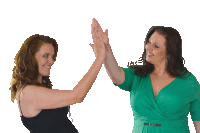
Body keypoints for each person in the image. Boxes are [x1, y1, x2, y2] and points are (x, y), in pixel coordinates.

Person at [89, 19, 200, 133]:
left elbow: (198, 122)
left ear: (169, 53)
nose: (148, 47)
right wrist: (106, 48)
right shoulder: (138, 75)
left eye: (156, 46)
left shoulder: (189, 82)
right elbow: (116, 75)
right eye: (149, 42)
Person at [10, 22, 107, 133]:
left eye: (52, 56)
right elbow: (77, 96)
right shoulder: (29, 92)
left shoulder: (37, 88)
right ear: (31, 58)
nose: (51, 61)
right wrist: (99, 58)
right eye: (45, 56)